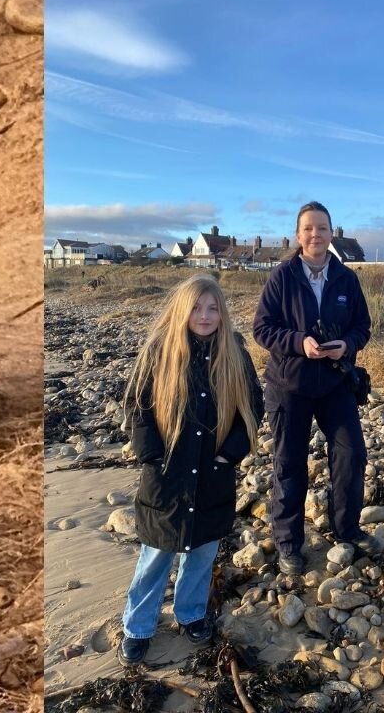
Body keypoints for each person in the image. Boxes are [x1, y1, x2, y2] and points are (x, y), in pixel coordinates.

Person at [118, 274, 262, 667]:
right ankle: (138, 627)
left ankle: (191, 613)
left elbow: (252, 407)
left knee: (202, 553)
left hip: (213, 475)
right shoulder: (158, 350)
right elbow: (137, 406)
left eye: (213, 308)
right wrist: (152, 457)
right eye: (197, 307)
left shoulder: (234, 352)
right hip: (167, 477)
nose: (205, 315)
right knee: (156, 555)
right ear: (183, 309)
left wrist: (228, 456)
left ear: (223, 312)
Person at [252, 201, 379, 576]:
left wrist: (348, 345)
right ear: (298, 235)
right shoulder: (282, 277)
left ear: (331, 232)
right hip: (289, 385)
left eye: (322, 228)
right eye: (308, 228)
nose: (315, 235)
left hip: (336, 383)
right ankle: (289, 544)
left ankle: (348, 530)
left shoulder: (346, 278)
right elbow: (262, 328)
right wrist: (298, 342)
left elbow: (363, 326)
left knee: (352, 454)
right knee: (289, 464)